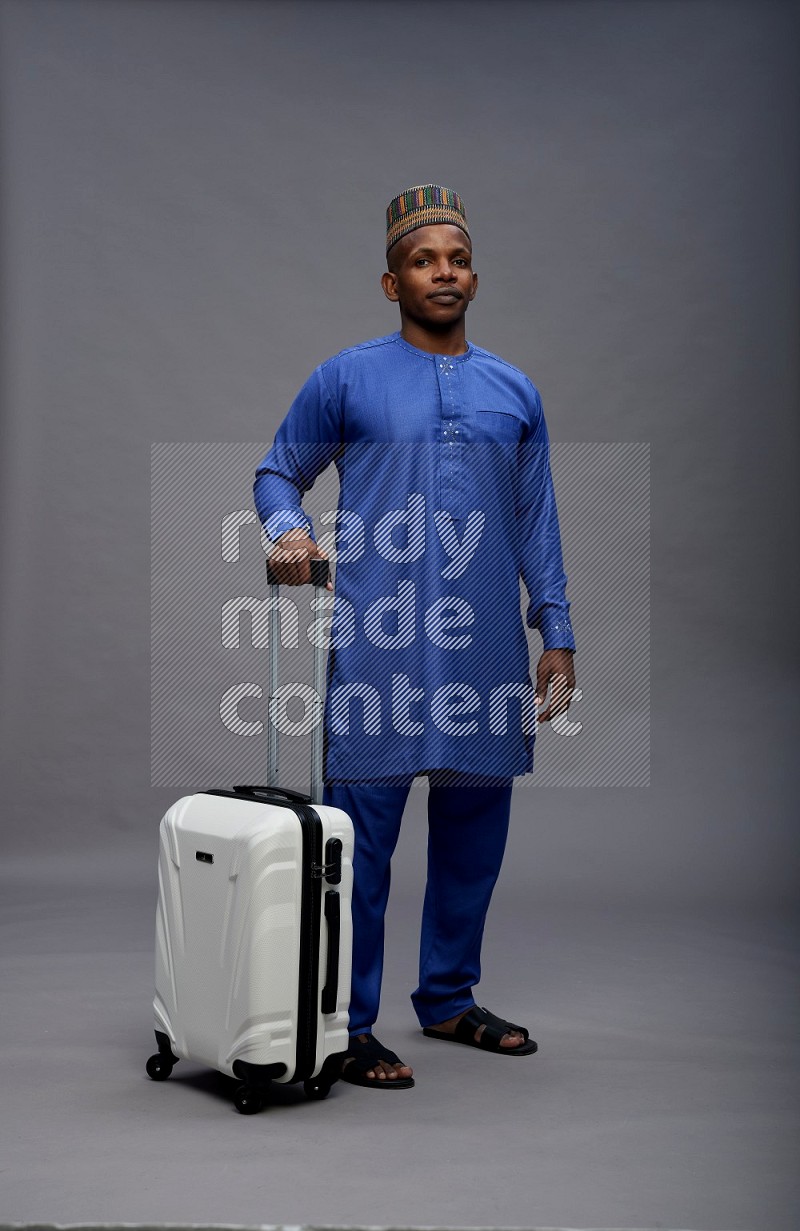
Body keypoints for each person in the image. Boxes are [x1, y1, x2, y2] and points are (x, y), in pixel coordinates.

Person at [254, 185, 576, 1089]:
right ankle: (347, 1022)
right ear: (391, 280)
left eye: (459, 258)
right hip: (382, 641)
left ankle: (447, 999)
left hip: (485, 648)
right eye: (426, 259)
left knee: (476, 837)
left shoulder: (515, 391)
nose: (446, 272)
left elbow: (536, 516)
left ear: (474, 275)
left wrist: (556, 624)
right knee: (361, 845)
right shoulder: (348, 376)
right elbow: (279, 471)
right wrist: (288, 531)